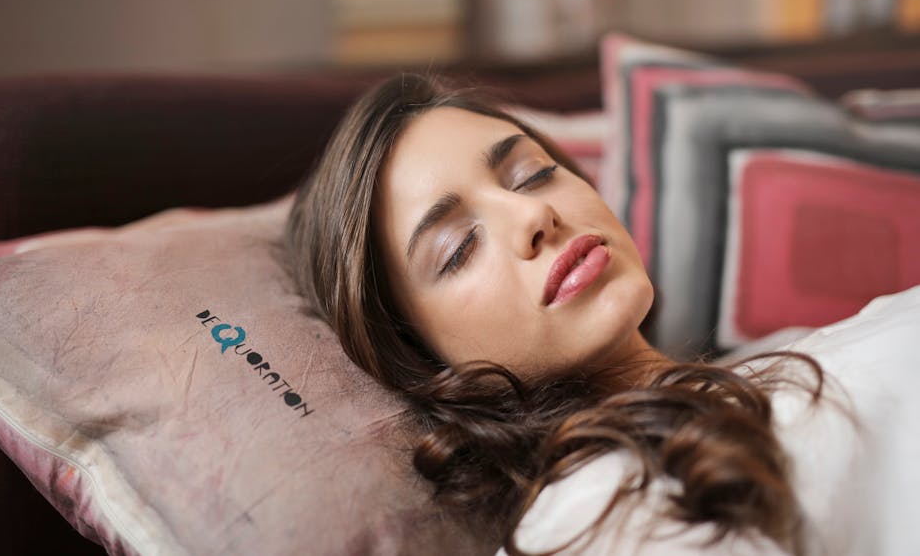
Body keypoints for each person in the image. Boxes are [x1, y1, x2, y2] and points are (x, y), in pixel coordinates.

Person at [285, 73, 920, 555]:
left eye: (532, 174)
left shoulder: (778, 354)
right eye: (458, 248)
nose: (534, 216)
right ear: (420, 354)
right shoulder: (596, 513)